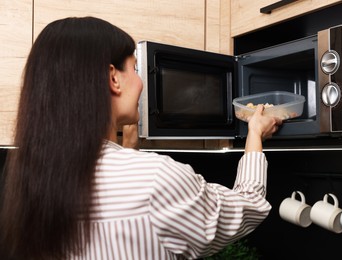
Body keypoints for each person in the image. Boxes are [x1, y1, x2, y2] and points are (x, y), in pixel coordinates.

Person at [0, 16, 282, 260]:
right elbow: (248, 208)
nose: (141, 82)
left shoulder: (30, 181)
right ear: (113, 78)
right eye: (135, 68)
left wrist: (129, 146)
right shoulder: (156, 179)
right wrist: (255, 133)